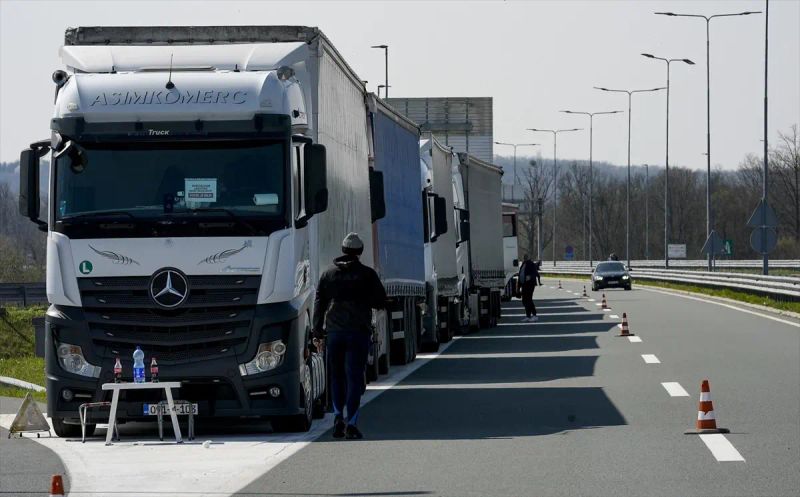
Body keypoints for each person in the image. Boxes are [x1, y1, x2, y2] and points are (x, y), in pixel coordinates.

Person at [312, 232, 387, 440]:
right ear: (360, 252)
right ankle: (352, 423)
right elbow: (381, 301)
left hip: (335, 333)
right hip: (358, 333)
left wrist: (317, 330)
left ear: (343, 250)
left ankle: (338, 418)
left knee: (336, 376)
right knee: (354, 376)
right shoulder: (367, 275)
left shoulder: (328, 275)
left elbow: (319, 303)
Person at [517, 255, 542, 322]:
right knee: (524, 300)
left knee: (528, 299)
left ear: (529, 258)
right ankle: (528, 315)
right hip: (524, 285)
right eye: (524, 257)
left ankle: (534, 315)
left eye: (526, 257)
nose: (525, 258)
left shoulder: (531, 264)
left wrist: (530, 277)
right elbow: (520, 275)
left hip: (529, 285)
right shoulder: (523, 264)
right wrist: (518, 287)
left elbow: (535, 273)